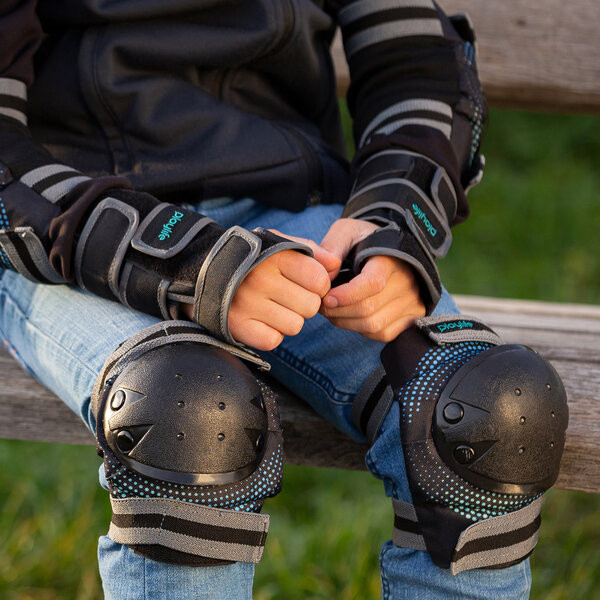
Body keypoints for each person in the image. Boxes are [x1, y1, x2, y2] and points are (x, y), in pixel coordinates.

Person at [0, 1, 568, 598]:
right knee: (185, 409)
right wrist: (190, 262)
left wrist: (397, 218)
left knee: (487, 414)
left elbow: (418, 61)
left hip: (296, 223)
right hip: (72, 238)